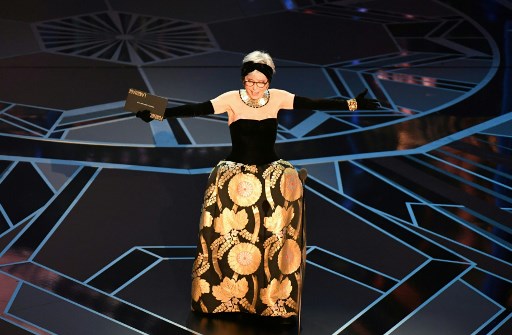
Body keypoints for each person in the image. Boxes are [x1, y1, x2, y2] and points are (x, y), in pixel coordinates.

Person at [136, 50, 381, 322]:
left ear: (269, 83)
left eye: (261, 83)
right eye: (250, 82)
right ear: (243, 80)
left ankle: (271, 297)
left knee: (273, 233)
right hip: (236, 176)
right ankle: (226, 296)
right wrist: (157, 113)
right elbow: (195, 109)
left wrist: (352, 105)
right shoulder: (231, 99)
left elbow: (314, 102)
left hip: (270, 175)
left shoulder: (277, 98)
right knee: (228, 234)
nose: (255, 88)